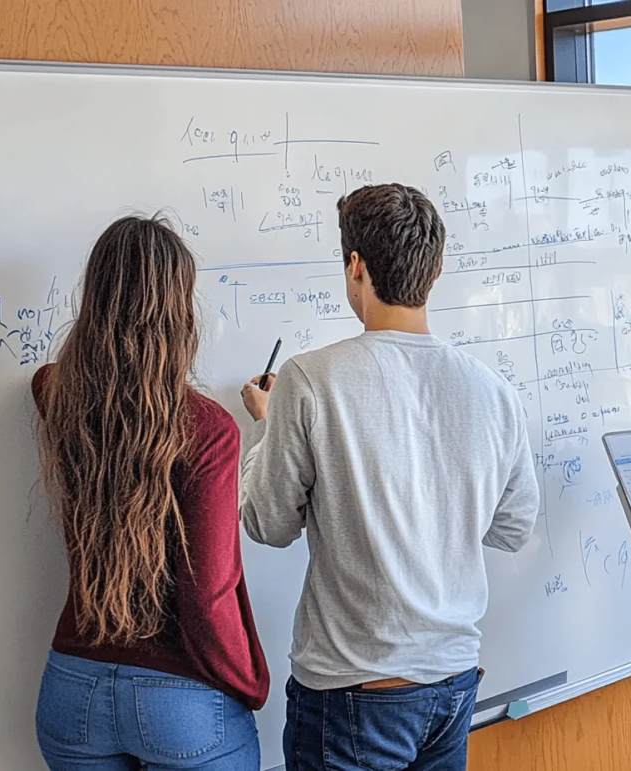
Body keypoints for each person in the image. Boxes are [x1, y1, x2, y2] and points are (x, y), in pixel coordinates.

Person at [239, 183, 540, 771]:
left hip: (352, 692)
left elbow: (267, 523)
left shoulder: (310, 379)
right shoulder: (493, 392)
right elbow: (513, 527)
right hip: (451, 685)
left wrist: (265, 429)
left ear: (356, 267)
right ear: (436, 268)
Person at [33, 216, 269, 770]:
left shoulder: (57, 396)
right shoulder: (208, 431)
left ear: (95, 300)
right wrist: (249, 680)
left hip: (72, 692)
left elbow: (48, 376)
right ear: (177, 313)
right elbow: (207, 594)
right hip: (180, 702)